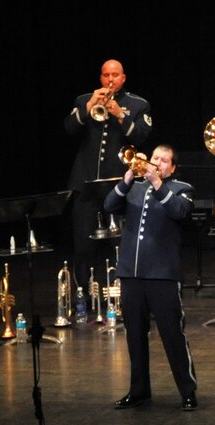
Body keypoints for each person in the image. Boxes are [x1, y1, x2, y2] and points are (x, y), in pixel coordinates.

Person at [104, 145, 198, 411]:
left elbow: (180, 212)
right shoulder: (134, 186)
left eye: (164, 160)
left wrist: (158, 183)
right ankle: (139, 390)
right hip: (131, 274)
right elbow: (109, 205)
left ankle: (187, 390)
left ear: (172, 167)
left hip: (162, 275)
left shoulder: (181, 188)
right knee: (134, 335)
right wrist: (125, 181)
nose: (157, 162)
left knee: (172, 335)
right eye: (155, 157)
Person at [65, 59, 152, 292]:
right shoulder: (84, 100)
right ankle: (84, 292)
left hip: (118, 184)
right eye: (105, 75)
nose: (110, 79)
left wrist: (121, 116)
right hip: (86, 183)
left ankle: (123, 292)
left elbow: (141, 137)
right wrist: (90, 105)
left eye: (115, 75)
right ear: (100, 78)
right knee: (83, 242)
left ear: (123, 78)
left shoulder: (137, 104)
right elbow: (69, 128)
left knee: (120, 243)